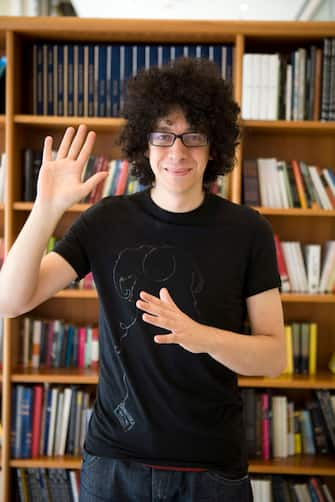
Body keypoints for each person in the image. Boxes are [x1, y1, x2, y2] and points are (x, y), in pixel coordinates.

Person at [0, 57, 285, 502]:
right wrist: (46, 208)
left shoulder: (249, 231)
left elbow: (273, 357)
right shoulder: (106, 221)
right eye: (163, 135)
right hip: (114, 466)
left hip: (211, 472)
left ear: (214, 146)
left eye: (193, 136)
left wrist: (200, 336)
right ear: (143, 143)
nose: (177, 152)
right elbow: (11, 300)